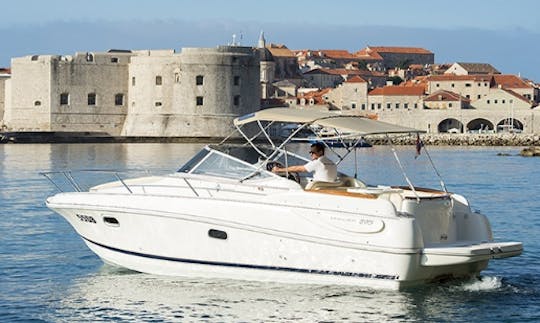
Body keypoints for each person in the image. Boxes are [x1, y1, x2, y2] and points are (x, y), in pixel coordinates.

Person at [272, 142, 337, 182]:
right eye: (310, 152)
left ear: (320, 152)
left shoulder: (318, 162)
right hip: (328, 187)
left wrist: (279, 170)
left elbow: (297, 169)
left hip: (318, 189)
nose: (311, 154)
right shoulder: (332, 163)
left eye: (313, 152)